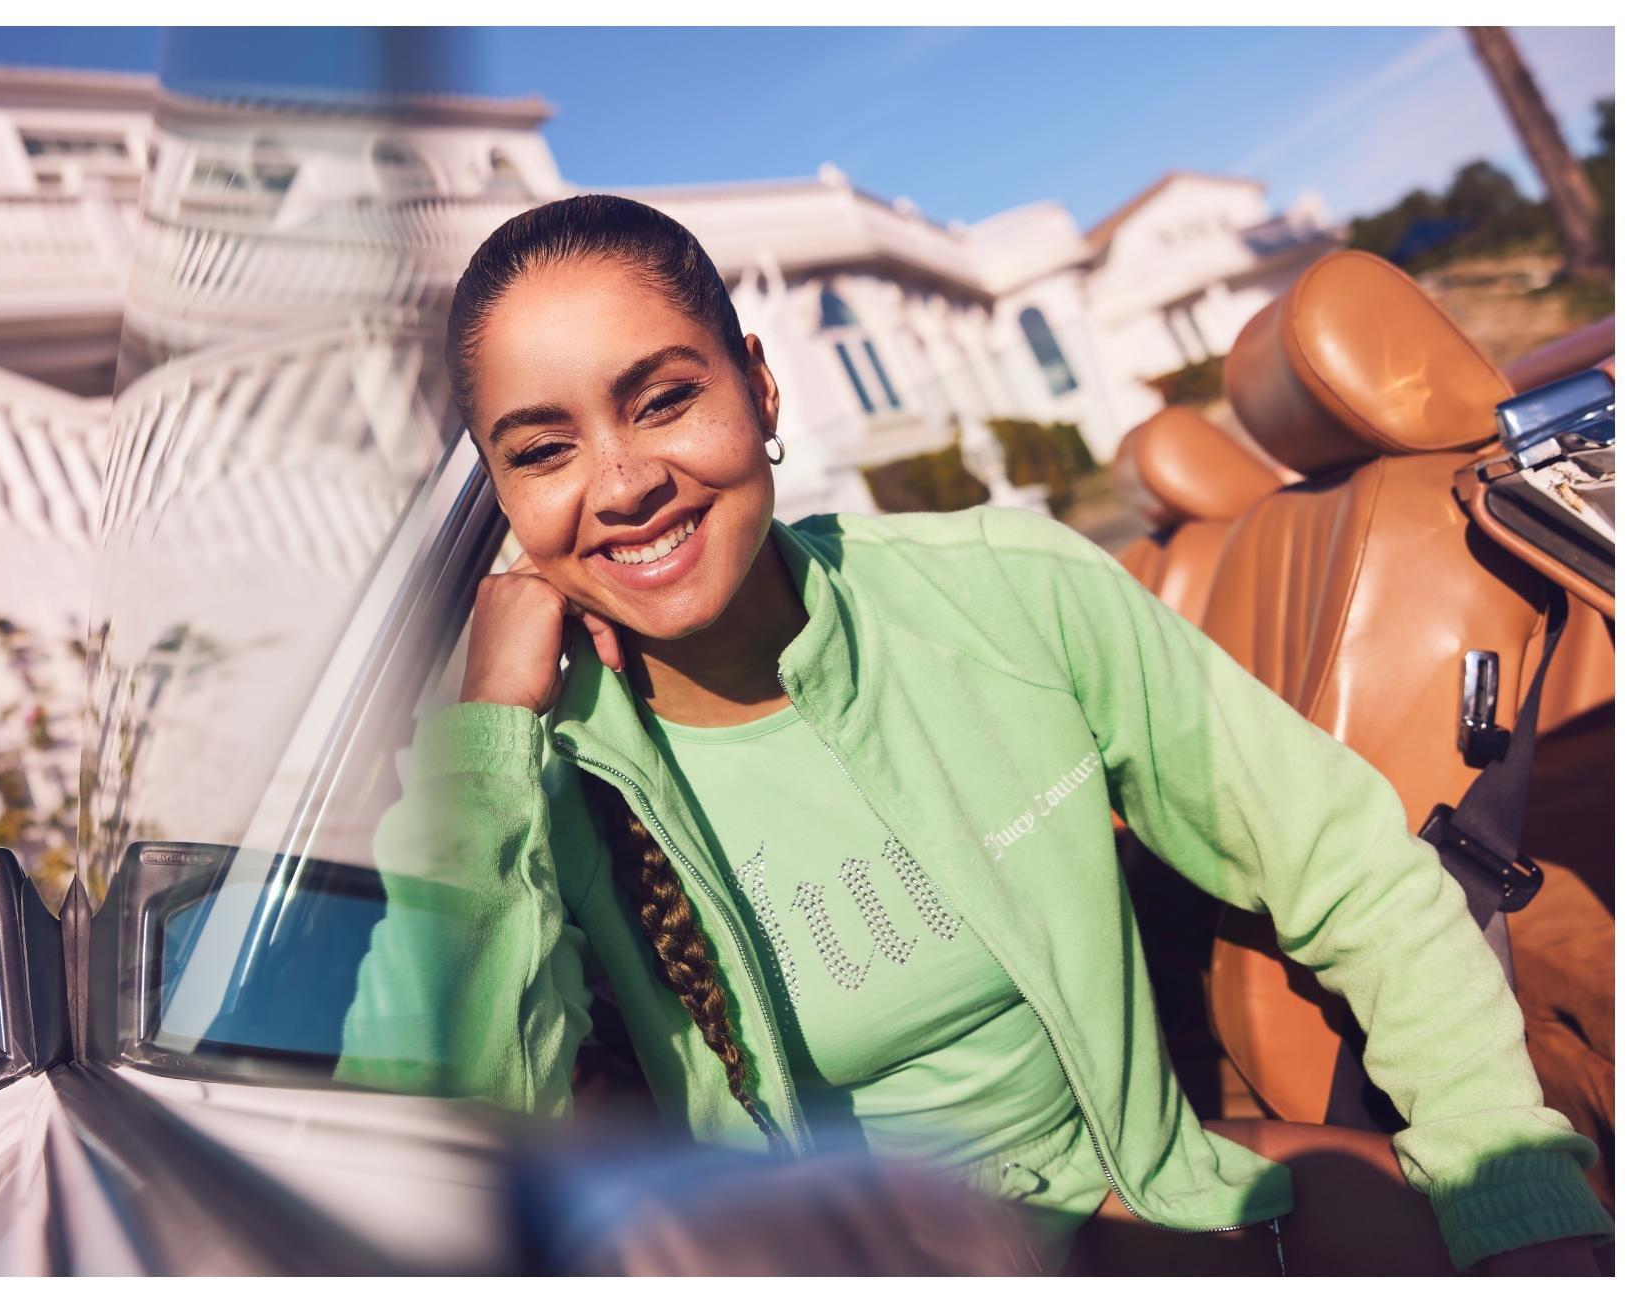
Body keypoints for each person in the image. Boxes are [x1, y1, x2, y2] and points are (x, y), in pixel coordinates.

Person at [335, 194, 1607, 1274]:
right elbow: (437, 1154)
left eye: (663, 399)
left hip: (1142, 1216)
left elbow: (1349, 868)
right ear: (505, 498)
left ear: (759, 383)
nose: (619, 485)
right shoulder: (536, 763)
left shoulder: (1007, 586)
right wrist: (489, 730)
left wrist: (1517, 1201)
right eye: (544, 450)